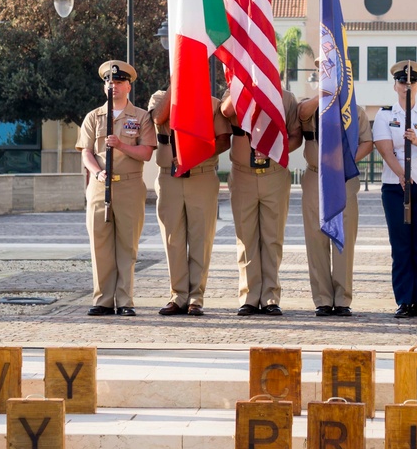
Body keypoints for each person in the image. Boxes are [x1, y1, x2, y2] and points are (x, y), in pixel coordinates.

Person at [76, 60, 156, 317]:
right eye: (110, 82)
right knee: (99, 244)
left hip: (130, 186)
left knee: (127, 246)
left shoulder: (141, 117)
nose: (114, 86)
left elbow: (146, 153)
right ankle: (102, 299)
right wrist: (97, 172)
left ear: (128, 86)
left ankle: (124, 300)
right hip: (100, 186)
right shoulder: (93, 117)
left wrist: (121, 145)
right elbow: (86, 152)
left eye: (119, 82)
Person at [372, 60, 417, 318]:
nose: (407, 85)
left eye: (412, 82)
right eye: (402, 82)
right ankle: (404, 300)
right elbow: (384, 148)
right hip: (396, 186)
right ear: (395, 85)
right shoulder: (384, 115)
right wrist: (402, 175)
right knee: (401, 244)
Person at [148, 89, 231, 317]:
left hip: (201, 175)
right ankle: (178, 296)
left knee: (200, 238)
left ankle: (196, 297)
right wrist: (175, 83)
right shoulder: (160, 97)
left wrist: (195, 154)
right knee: (173, 239)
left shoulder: (212, 103)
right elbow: (158, 118)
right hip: (169, 175)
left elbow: (224, 140)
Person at [222, 90, 303, 317]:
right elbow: (225, 111)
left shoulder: (286, 98)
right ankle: (248, 297)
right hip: (243, 175)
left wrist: (278, 150)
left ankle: (270, 296)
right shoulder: (235, 92)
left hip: (274, 174)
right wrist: (241, 86)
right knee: (246, 237)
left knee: (272, 237)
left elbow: (296, 135)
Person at [298, 97, 372, 317]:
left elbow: (367, 142)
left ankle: (342, 299)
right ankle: (322, 299)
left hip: (344, 178)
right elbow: (301, 113)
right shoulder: (310, 105)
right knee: (315, 238)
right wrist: (323, 93)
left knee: (344, 238)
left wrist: (345, 161)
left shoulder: (355, 111)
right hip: (315, 177)